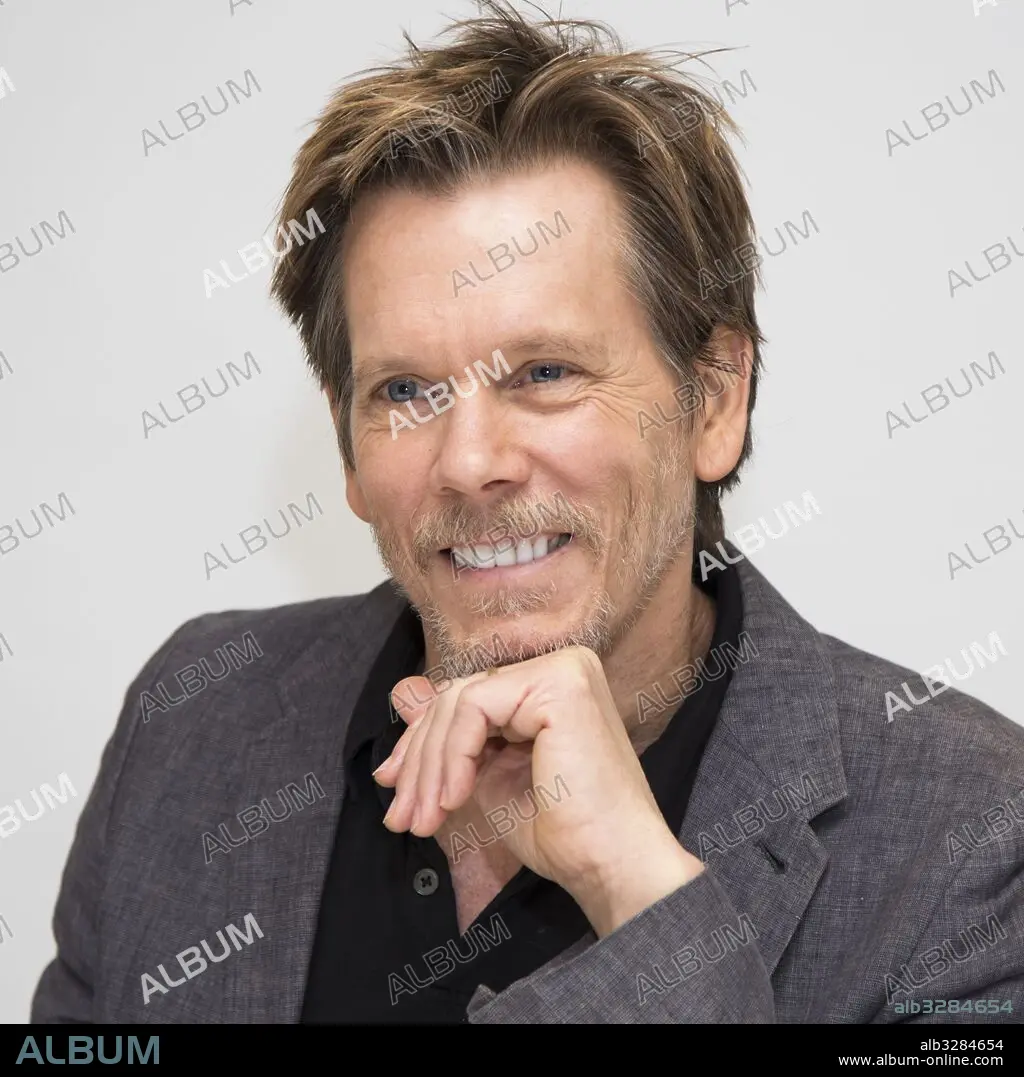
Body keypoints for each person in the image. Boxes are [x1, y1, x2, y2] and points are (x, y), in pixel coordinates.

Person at [33, 0, 1023, 1023]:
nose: (470, 464)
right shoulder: (191, 720)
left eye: (545, 372)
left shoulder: (972, 838)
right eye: (406, 391)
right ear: (347, 442)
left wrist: (641, 894)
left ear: (714, 402)